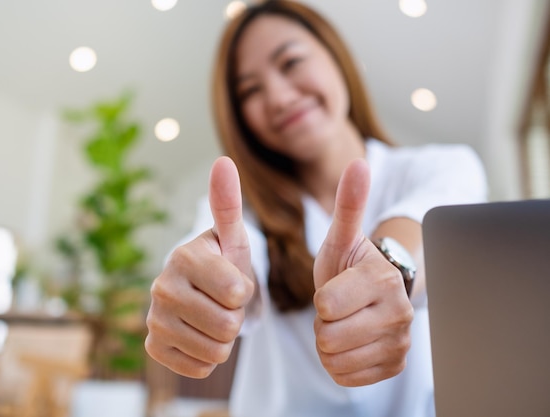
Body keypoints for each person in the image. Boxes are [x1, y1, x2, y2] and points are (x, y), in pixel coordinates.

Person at [145, 1, 487, 416]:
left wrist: (387, 271)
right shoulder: (247, 212)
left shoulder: (443, 167)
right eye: (250, 90)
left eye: (290, 62)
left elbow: (424, 231)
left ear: (337, 57)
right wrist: (197, 287)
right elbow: (214, 252)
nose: (279, 97)